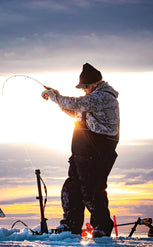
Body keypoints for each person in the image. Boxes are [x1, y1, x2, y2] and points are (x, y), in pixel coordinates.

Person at [41, 63, 119, 237]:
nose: (83, 90)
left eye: (84, 86)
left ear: (94, 84)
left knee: (92, 189)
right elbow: (75, 110)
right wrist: (57, 97)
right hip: (81, 152)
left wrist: (55, 96)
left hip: (97, 151)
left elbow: (77, 103)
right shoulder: (93, 99)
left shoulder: (103, 97)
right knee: (72, 188)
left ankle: (101, 227)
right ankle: (70, 226)